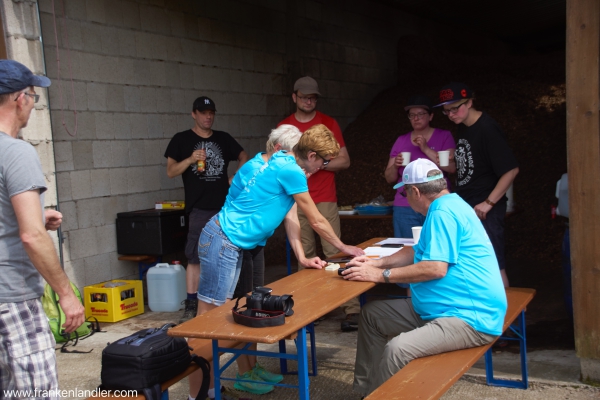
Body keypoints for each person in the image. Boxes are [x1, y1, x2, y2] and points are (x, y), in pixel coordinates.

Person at [189, 124, 364, 397]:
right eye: (325, 161)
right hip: (223, 241)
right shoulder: (290, 169)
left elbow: (291, 213)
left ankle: (212, 388)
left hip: (233, 243)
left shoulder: (285, 162)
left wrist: (302, 257)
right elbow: (315, 219)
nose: (325, 167)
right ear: (314, 156)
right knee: (209, 322)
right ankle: (196, 390)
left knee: (225, 317)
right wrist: (343, 246)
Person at [341, 158, 507, 397]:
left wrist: (380, 275)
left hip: (469, 317)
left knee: (397, 349)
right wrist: (375, 262)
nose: (405, 198)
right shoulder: (446, 205)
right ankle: (368, 392)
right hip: (443, 309)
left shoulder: (444, 213)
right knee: (372, 316)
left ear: (416, 191)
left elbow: (435, 268)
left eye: (405, 192)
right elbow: (416, 250)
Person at [0, 59, 85, 395]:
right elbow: (31, 235)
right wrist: (67, 294)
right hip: (13, 299)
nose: (33, 105)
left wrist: (36, 211)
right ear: (19, 98)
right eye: (34, 97)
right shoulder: (17, 152)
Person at [278, 76, 360, 332]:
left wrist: (320, 163)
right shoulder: (285, 127)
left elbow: (344, 160)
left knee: (335, 251)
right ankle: (314, 306)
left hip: (323, 195)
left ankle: (351, 308)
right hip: (295, 199)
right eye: (304, 96)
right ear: (294, 97)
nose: (308, 101)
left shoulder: (328, 123)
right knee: (306, 255)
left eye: (313, 97)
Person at [164, 96, 248, 323]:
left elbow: (244, 157)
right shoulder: (181, 139)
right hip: (198, 208)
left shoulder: (223, 138)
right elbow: (171, 171)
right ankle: (192, 304)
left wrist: (235, 178)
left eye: (211, 112)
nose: (208, 116)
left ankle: (226, 300)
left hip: (224, 207)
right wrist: (191, 159)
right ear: (194, 114)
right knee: (194, 257)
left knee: (229, 253)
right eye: (202, 112)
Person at [436, 82, 519, 287]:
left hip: (484, 209)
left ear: (470, 102)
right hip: (467, 206)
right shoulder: (463, 128)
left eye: (456, 108)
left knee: (494, 264)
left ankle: (508, 316)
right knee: (473, 264)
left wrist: (488, 203)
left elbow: (511, 170)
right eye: (447, 111)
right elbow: (469, 166)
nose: (452, 114)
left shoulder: (487, 128)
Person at [232, 125, 326, 300]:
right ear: (278, 149)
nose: (300, 160)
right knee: (240, 298)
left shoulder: (286, 171)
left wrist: (302, 258)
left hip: (257, 242)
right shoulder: (256, 169)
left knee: (256, 294)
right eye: (296, 154)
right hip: (238, 241)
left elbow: (291, 215)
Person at [384, 95, 456, 238]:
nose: (416, 118)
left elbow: (451, 168)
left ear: (431, 116)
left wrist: (425, 149)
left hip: (436, 202)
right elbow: (389, 178)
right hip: (405, 204)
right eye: (412, 115)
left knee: (438, 245)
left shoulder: (444, 136)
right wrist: (395, 166)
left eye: (420, 114)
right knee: (406, 247)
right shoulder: (401, 140)